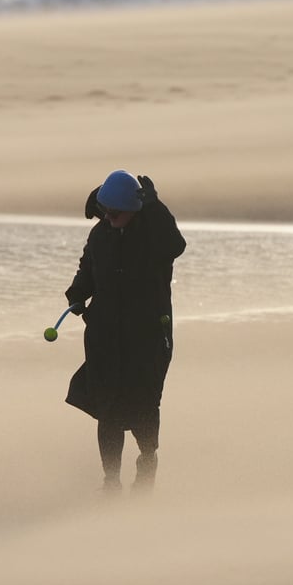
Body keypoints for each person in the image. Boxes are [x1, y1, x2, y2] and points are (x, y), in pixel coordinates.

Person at [63, 170, 186, 494]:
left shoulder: (153, 235)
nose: (110, 217)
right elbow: (88, 270)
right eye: (107, 212)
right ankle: (111, 480)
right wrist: (77, 294)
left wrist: (155, 205)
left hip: (147, 339)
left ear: (133, 208)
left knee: (144, 405)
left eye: (116, 212)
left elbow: (176, 245)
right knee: (109, 411)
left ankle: (147, 459)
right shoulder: (100, 234)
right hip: (105, 337)